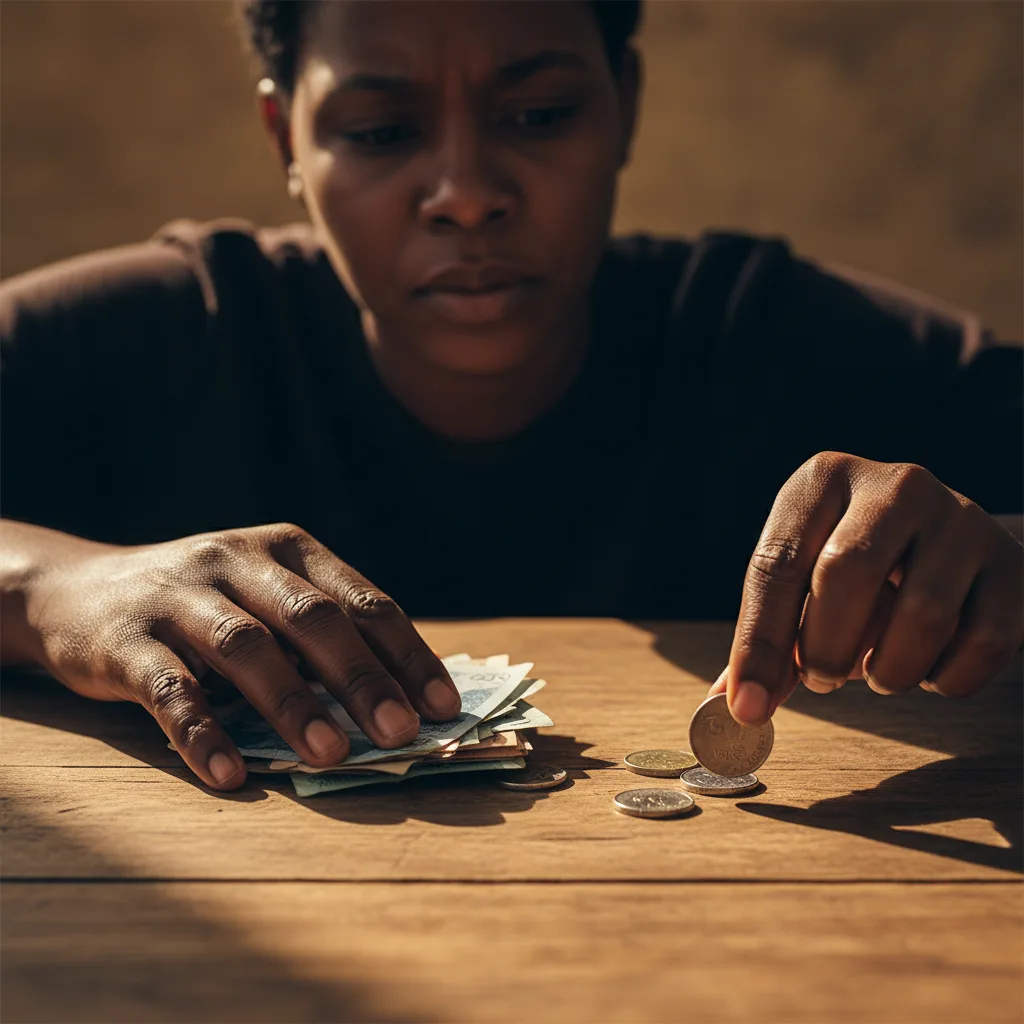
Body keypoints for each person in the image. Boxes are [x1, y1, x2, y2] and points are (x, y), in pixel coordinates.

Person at [1, 0, 1020, 792]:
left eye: (538, 115)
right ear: (284, 141)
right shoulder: (170, 328)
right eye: (379, 129)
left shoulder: (770, 335)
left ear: (624, 103)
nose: (469, 191)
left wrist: (1005, 559)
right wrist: (45, 591)